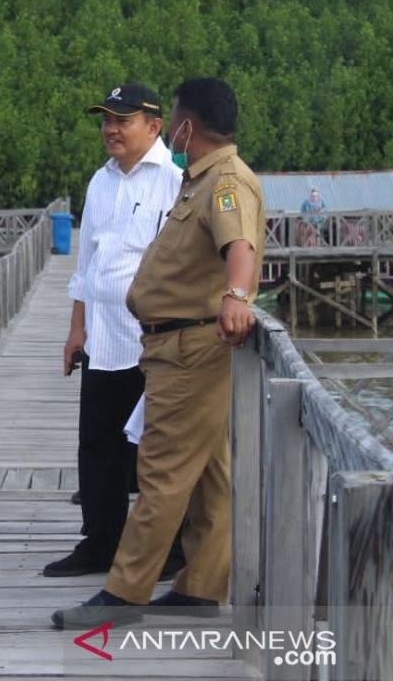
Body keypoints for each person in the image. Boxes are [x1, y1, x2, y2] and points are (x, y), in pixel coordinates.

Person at [53, 77, 264, 630]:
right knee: (211, 473)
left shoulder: (222, 183)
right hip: (164, 341)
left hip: (190, 346)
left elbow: (238, 245)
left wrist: (237, 297)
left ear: (185, 126)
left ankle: (125, 592)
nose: (171, 127)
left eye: (172, 119)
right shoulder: (200, 180)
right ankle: (200, 586)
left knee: (161, 470)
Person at [46, 83, 183, 579]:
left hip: (153, 339)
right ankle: (99, 541)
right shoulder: (99, 181)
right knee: (98, 444)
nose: (110, 129)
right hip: (102, 336)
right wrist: (75, 328)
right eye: (106, 120)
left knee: (156, 449)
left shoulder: (175, 181)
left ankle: (169, 550)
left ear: (154, 125)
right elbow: (87, 262)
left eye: (122, 120)